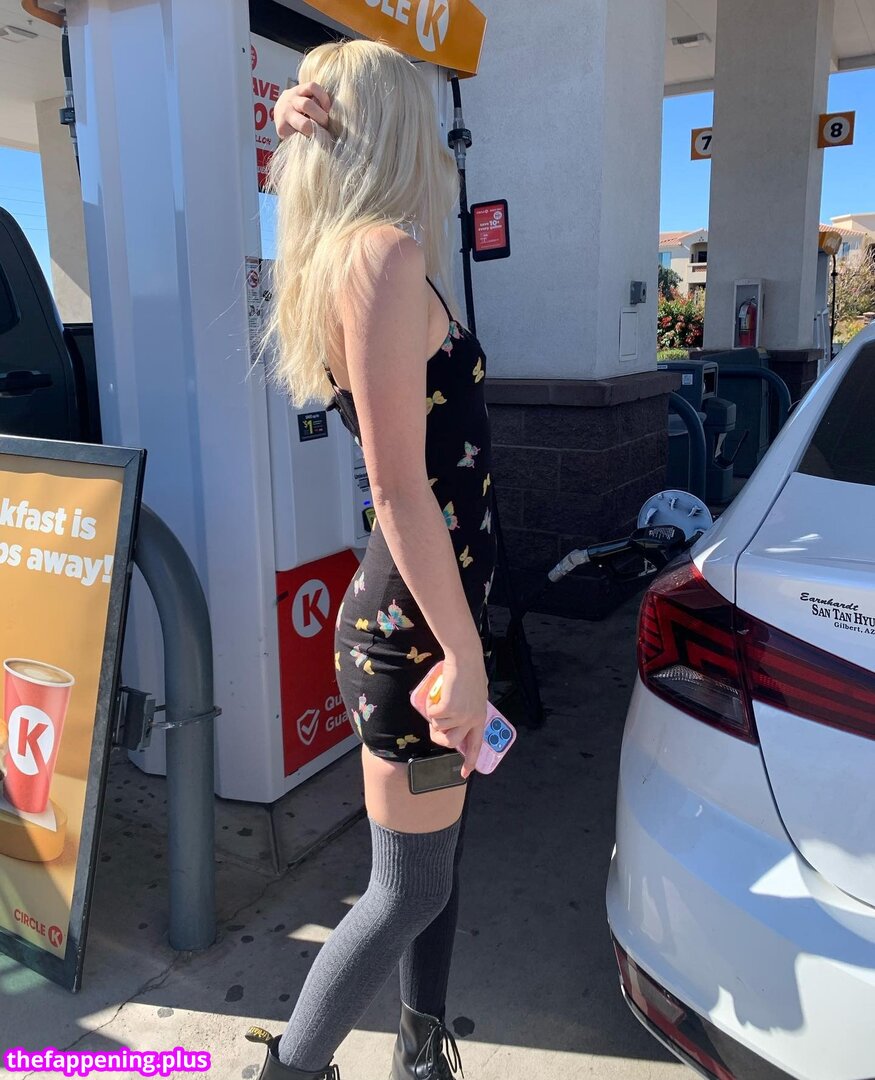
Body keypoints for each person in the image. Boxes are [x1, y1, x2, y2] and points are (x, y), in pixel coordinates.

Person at [247, 40, 496, 1080]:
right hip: (417, 636)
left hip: (423, 618)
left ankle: (420, 1053)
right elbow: (398, 490)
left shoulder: (354, 253)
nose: (438, 144)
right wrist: (466, 657)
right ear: (392, 129)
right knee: (406, 889)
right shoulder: (381, 256)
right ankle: (290, 1069)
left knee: (433, 866)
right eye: (421, 119)